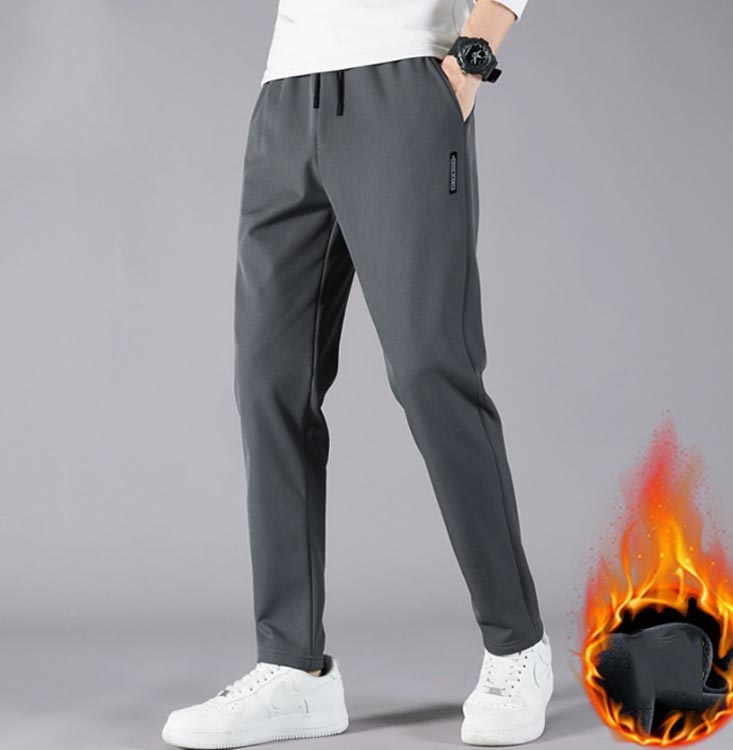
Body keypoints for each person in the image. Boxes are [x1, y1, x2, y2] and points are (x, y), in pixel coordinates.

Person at [162, 1, 553, 746]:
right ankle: (293, 669)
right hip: (287, 95)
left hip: (405, 82)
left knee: (431, 368)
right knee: (269, 383)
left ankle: (518, 648)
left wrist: (470, 58)